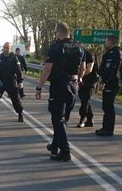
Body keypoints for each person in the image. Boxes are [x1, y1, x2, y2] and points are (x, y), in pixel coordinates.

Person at [35, 23, 86, 161]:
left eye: (55, 32)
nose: (55, 35)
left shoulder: (56, 47)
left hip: (59, 86)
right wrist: (78, 79)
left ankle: (65, 152)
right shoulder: (79, 46)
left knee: (57, 119)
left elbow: (47, 69)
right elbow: (84, 68)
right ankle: (55, 145)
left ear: (59, 32)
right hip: (73, 86)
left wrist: (39, 87)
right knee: (63, 119)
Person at [96, 35, 122, 136]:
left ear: (111, 42)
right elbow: (103, 69)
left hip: (112, 83)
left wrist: (105, 81)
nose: (105, 43)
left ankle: (109, 129)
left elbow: (112, 70)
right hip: (108, 82)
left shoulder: (116, 53)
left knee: (108, 106)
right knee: (105, 105)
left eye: (106, 41)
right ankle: (105, 127)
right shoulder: (108, 53)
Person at [0, 42, 25, 122]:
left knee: (15, 99)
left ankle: (20, 114)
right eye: (4, 47)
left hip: (11, 81)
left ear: (10, 49)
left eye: (7, 48)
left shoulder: (14, 58)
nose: (5, 49)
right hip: (0, 81)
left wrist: (20, 81)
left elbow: (19, 71)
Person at [77, 49, 97, 128]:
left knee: (85, 100)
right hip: (81, 80)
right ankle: (90, 119)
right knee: (84, 99)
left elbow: (89, 69)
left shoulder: (89, 54)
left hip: (89, 81)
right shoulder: (77, 52)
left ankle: (82, 120)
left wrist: (79, 77)